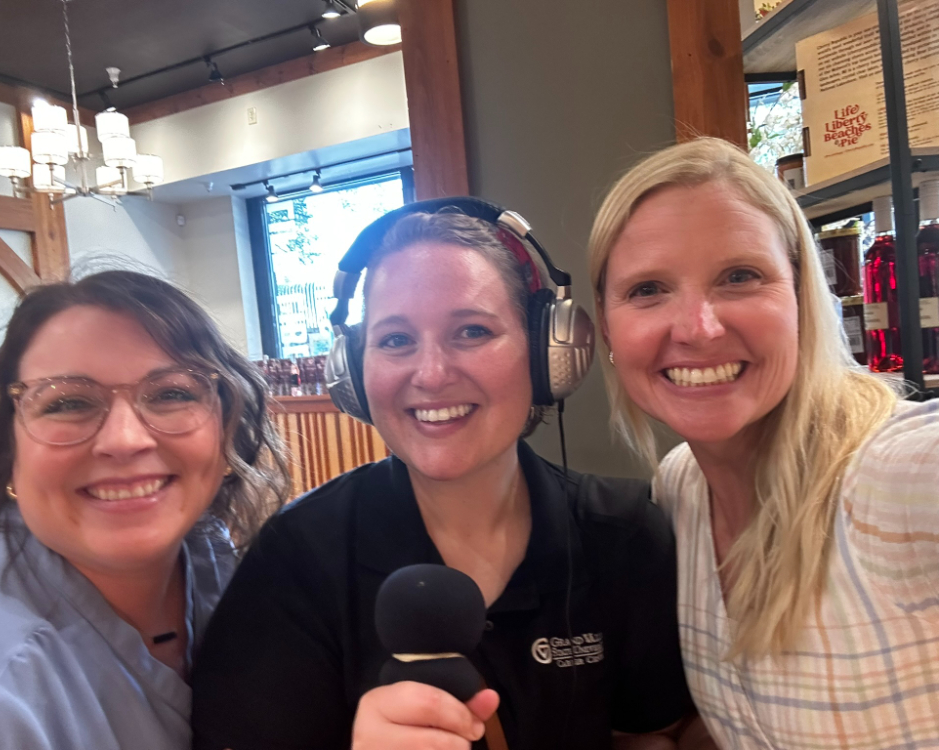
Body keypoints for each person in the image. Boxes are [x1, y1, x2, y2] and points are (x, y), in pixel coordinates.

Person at [193, 200, 713, 750]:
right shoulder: (296, 559)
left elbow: (651, 737)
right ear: (353, 370)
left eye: (471, 331)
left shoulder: (625, 533)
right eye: (395, 340)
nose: (433, 373)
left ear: (547, 354)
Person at [589, 137, 939, 748]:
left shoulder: (893, 473)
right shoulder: (680, 489)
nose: (698, 328)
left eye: (740, 276)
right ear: (606, 328)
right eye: (648, 289)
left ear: (801, 297)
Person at [0, 270, 289, 750]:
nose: (125, 440)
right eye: (68, 403)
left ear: (226, 429)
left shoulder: (207, 546)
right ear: (8, 450)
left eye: (171, 393)